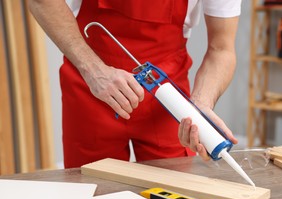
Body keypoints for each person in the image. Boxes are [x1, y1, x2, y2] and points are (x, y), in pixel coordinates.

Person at [28, 0, 241, 168]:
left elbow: (221, 49)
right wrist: (93, 70)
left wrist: (200, 106)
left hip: (167, 100)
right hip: (91, 89)